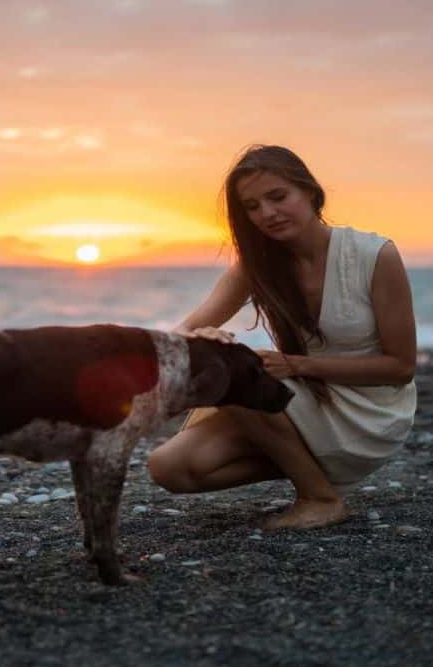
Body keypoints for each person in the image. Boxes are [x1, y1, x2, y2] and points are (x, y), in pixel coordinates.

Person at [147, 144, 418, 529]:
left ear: (309, 190)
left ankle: (319, 498)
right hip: (305, 403)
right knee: (170, 468)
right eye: (252, 207)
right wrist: (199, 339)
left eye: (277, 197)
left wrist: (295, 365)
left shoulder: (375, 255)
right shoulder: (257, 266)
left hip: (371, 415)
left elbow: (401, 368)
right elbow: (179, 336)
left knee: (234, 372)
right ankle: (309, 466)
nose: (267, 214)